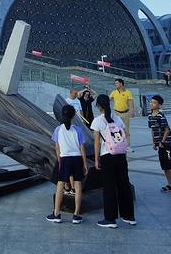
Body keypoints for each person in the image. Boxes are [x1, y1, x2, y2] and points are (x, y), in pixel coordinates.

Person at [91, 94, 136, 228]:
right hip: (120, 155)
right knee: (124, 184)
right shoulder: (117, 118)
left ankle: (110, 219)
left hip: (107, 155)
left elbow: (97, 143)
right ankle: (129, 216)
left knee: (109, 187)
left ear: (99, 106)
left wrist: (96, 159)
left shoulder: (98, 121)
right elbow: (126, 135)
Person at [46, 105, 88, 224]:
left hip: (64, 159)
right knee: (78, 186)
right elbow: (82, 148)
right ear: (73, 116)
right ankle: (76, 215)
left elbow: (57, 147)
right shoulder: (78, 130)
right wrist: (85, 164)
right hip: (77, 159)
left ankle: (56, 213)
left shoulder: (58, 129)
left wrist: (59, 160)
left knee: (60, 186)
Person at [147, 95, 171, 197]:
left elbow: (167, 129)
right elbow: (152, 130)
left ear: (159, 105)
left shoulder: (161, 116)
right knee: (164, 165)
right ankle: (170, 184)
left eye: (154, 102)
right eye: (151, 102)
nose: (151, 104)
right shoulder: (150, 116)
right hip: (160, 144)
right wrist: (154, 143)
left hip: (168, 144)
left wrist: (162, 142)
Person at [109, 79, 135, 152]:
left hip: (125, 113)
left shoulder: (127, 92)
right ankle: (119, 145)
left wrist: (132, 111)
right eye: (115, 83)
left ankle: (127, 146)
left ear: (121, 84)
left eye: (117, 83)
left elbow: (130, 102)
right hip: (116, 113)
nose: (115, 84)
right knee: (117, 130)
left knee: (126, 130)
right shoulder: (114, 92)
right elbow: (109, 99)